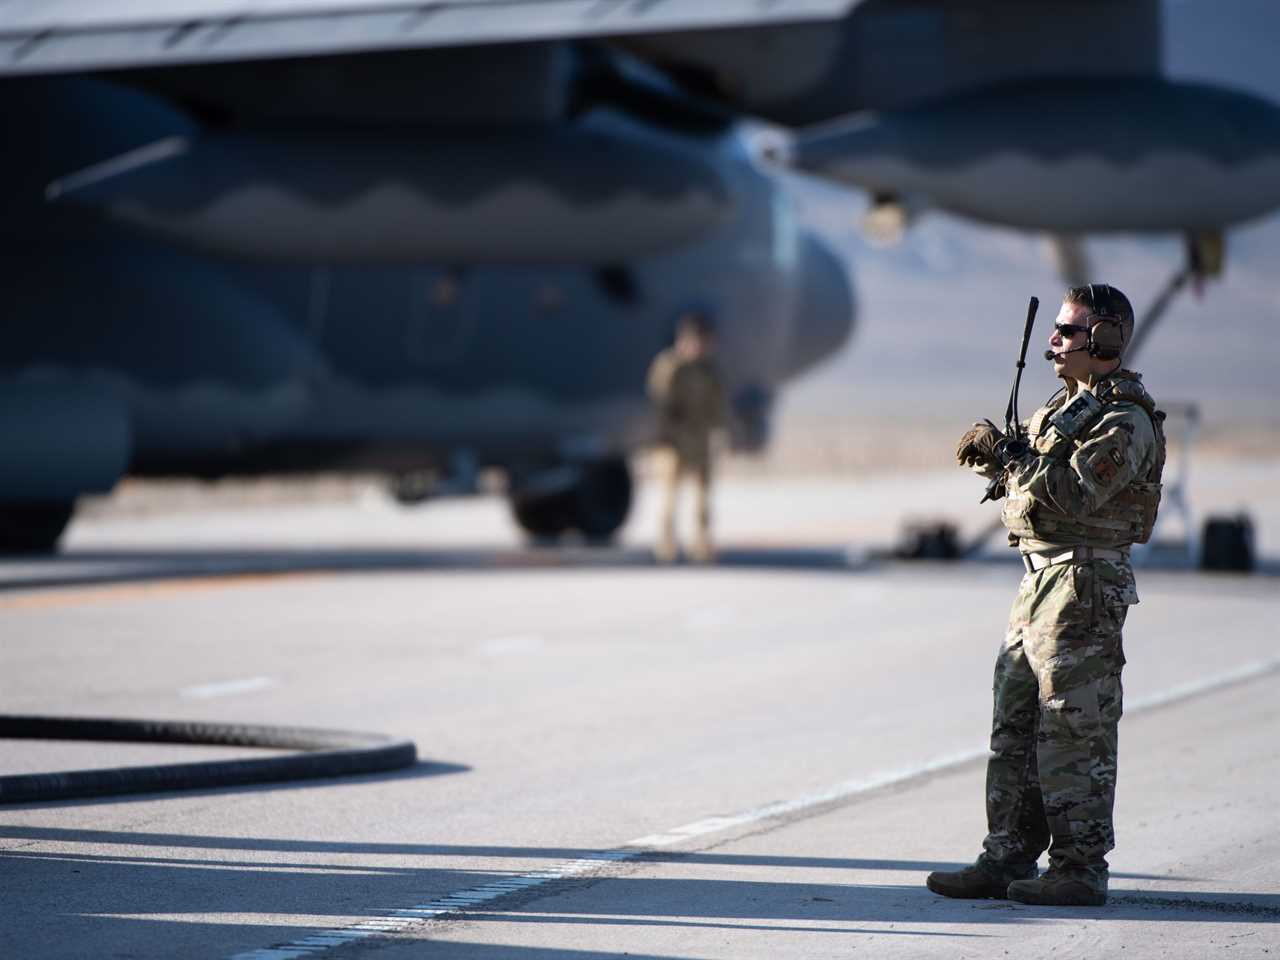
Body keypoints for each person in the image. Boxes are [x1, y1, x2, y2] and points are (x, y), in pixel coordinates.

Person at [932, 283, 1166, 906]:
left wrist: (1014, 460)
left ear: (1108, 340)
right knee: (1016, 723)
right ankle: (1006, 853)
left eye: (1069, 331)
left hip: (1085, 583)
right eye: (1056, 331)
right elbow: (1025, 492)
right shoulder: (1060, 411)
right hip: (1039, 579)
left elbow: (1072, 492)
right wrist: (996, 459)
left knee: (1074, 727)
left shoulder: (1125, 420)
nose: (1055, 342)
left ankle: (1080, 868)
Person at [646, 309, 727, 563]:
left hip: (699, 440)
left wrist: (719, 430)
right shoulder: (671, 366)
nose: (704, 347)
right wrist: (664, 436)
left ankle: (702, 546)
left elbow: (716, 405)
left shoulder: (707, 370)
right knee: (670, 496)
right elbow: (660, 402)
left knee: (703, 497)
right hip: (673, 441)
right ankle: (666, 546)